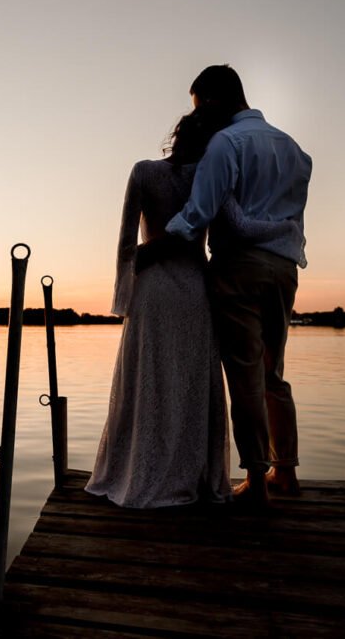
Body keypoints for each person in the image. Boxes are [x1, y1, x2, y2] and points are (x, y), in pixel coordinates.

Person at [165, 65, 312, 507]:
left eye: (199, 106)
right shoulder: (294, 150)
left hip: (239, 268)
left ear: (213, 100)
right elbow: (292, 216)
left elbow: (199, 211)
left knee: (245, 375)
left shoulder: (226, 143)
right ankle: (287, 472)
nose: (198, 115)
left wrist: (159, 244)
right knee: (273, 373)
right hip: (284, 269)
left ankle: (257, 482)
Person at [84, 108, 232, 508]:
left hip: (152, 288)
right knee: (190, 382)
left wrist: (124, 295)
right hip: (194, 287)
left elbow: (125, 242)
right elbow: (222, 238)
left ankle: (138, 469)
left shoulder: (144, 172)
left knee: (148, 380)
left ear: (176, 135)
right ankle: (193, 473)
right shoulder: (211, 178)